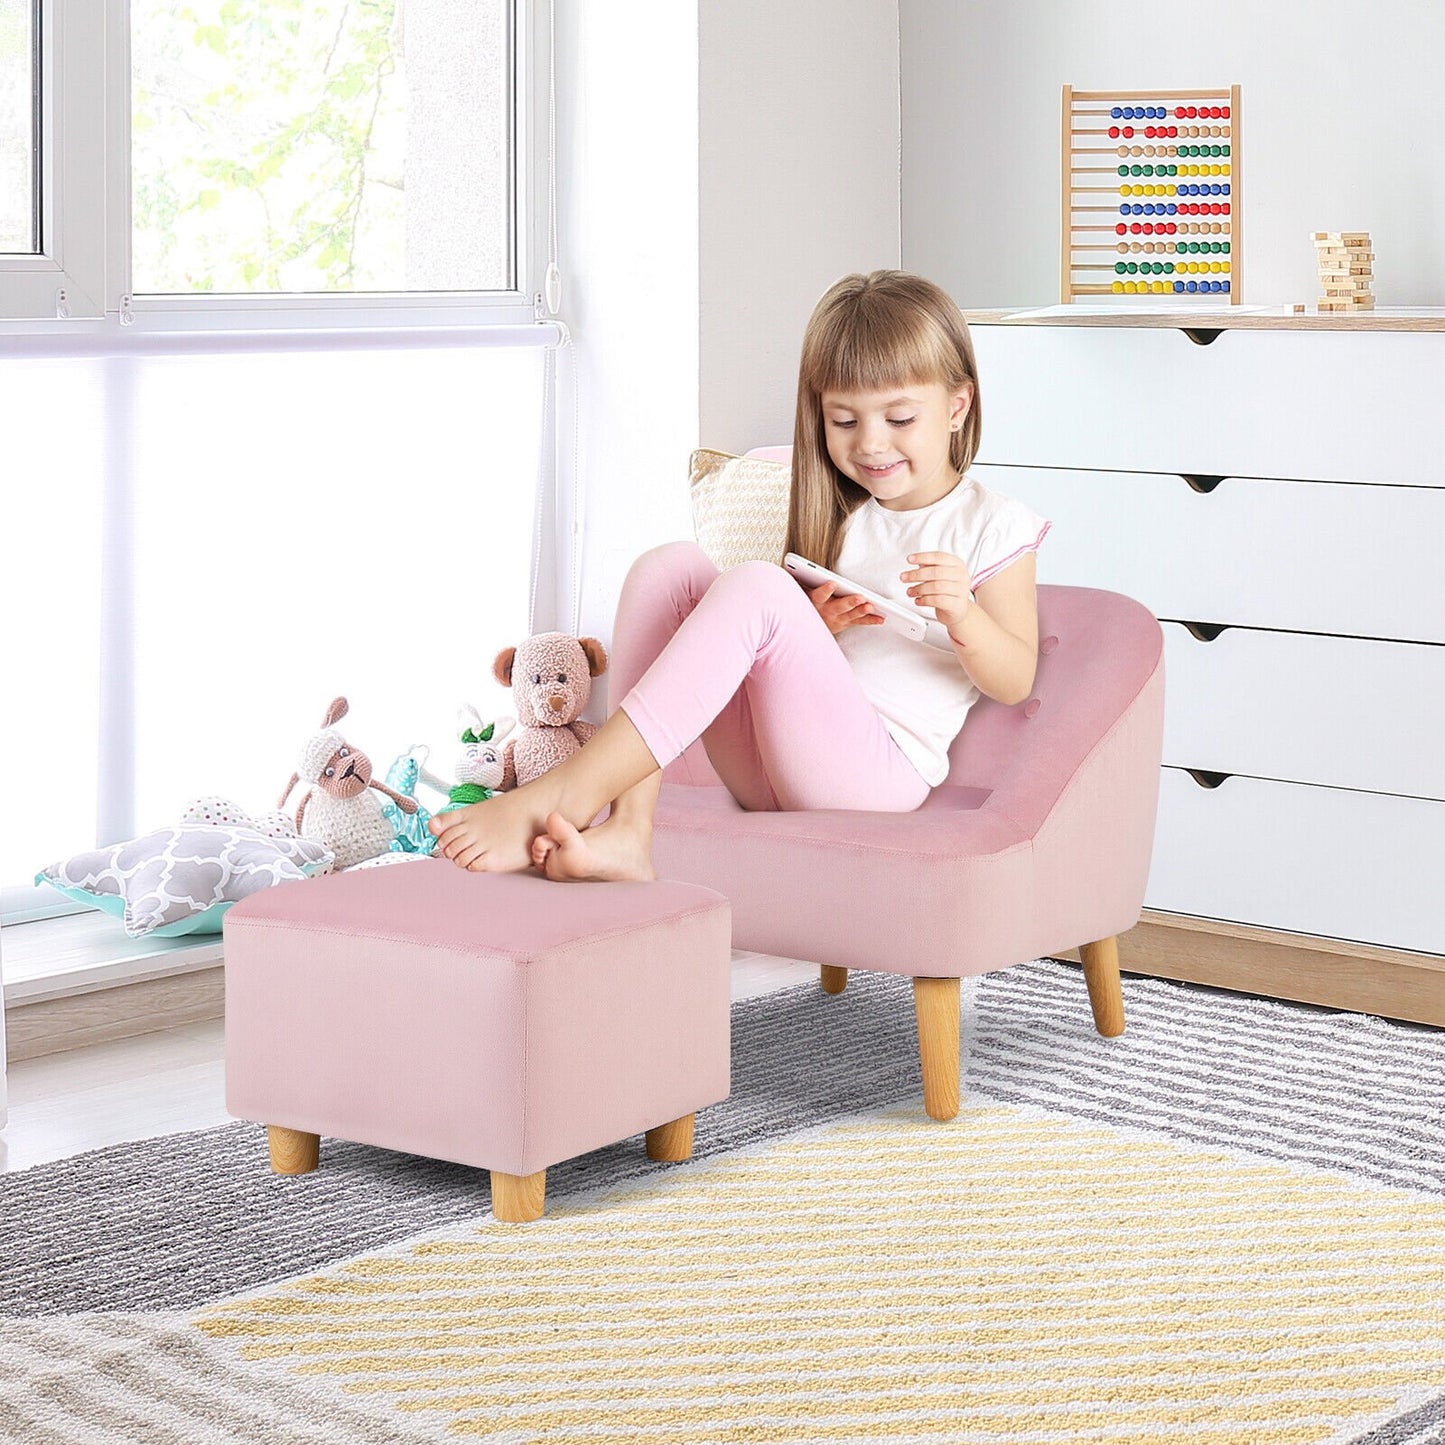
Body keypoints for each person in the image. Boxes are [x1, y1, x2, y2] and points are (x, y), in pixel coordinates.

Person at [430, 270, 1049, 881]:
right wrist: (817, 630)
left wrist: (965, 616)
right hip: (774, 763)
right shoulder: (848, 516)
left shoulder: (991, 524)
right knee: (670, 570)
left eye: (899, 418)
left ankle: (563, 795)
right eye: (844, 421)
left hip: (878, 776)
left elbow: (1015, 678)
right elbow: (812, 674)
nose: (870, 444)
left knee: (755, 585)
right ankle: (628, 826)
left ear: (957, 406)